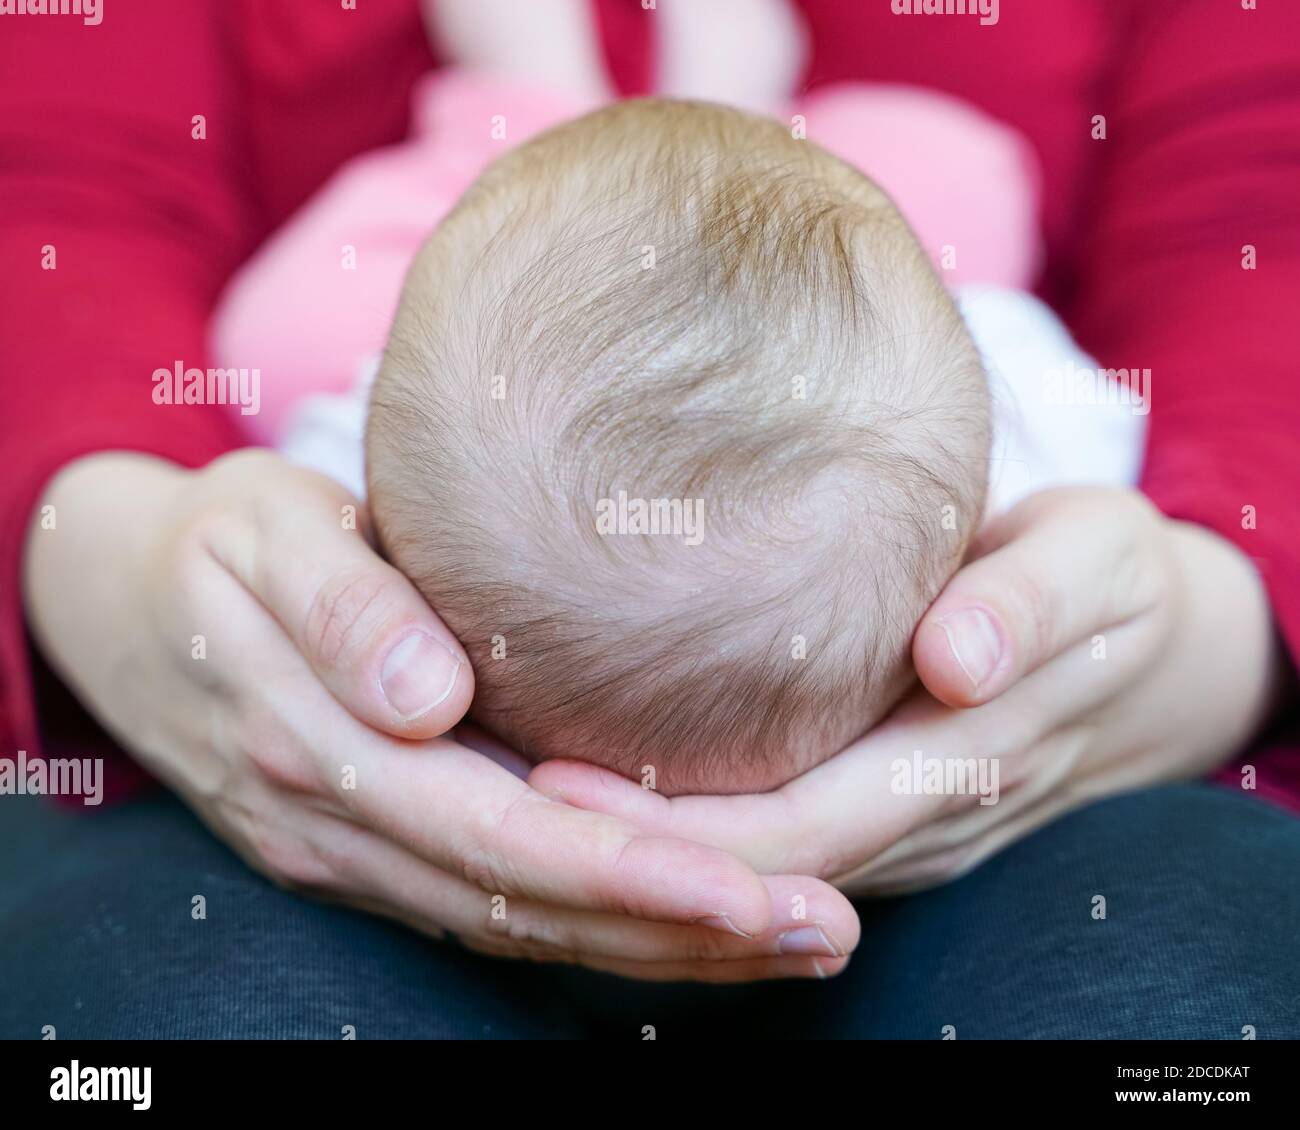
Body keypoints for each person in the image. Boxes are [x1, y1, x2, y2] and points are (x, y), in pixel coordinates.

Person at [3, 0, 1299, 1035]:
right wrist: (101, 564)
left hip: (352, 820)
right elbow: (56, 191)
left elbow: (278, 355)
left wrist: (1222, 637)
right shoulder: (1021, 396)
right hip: (270, 801)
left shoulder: (338, 447)